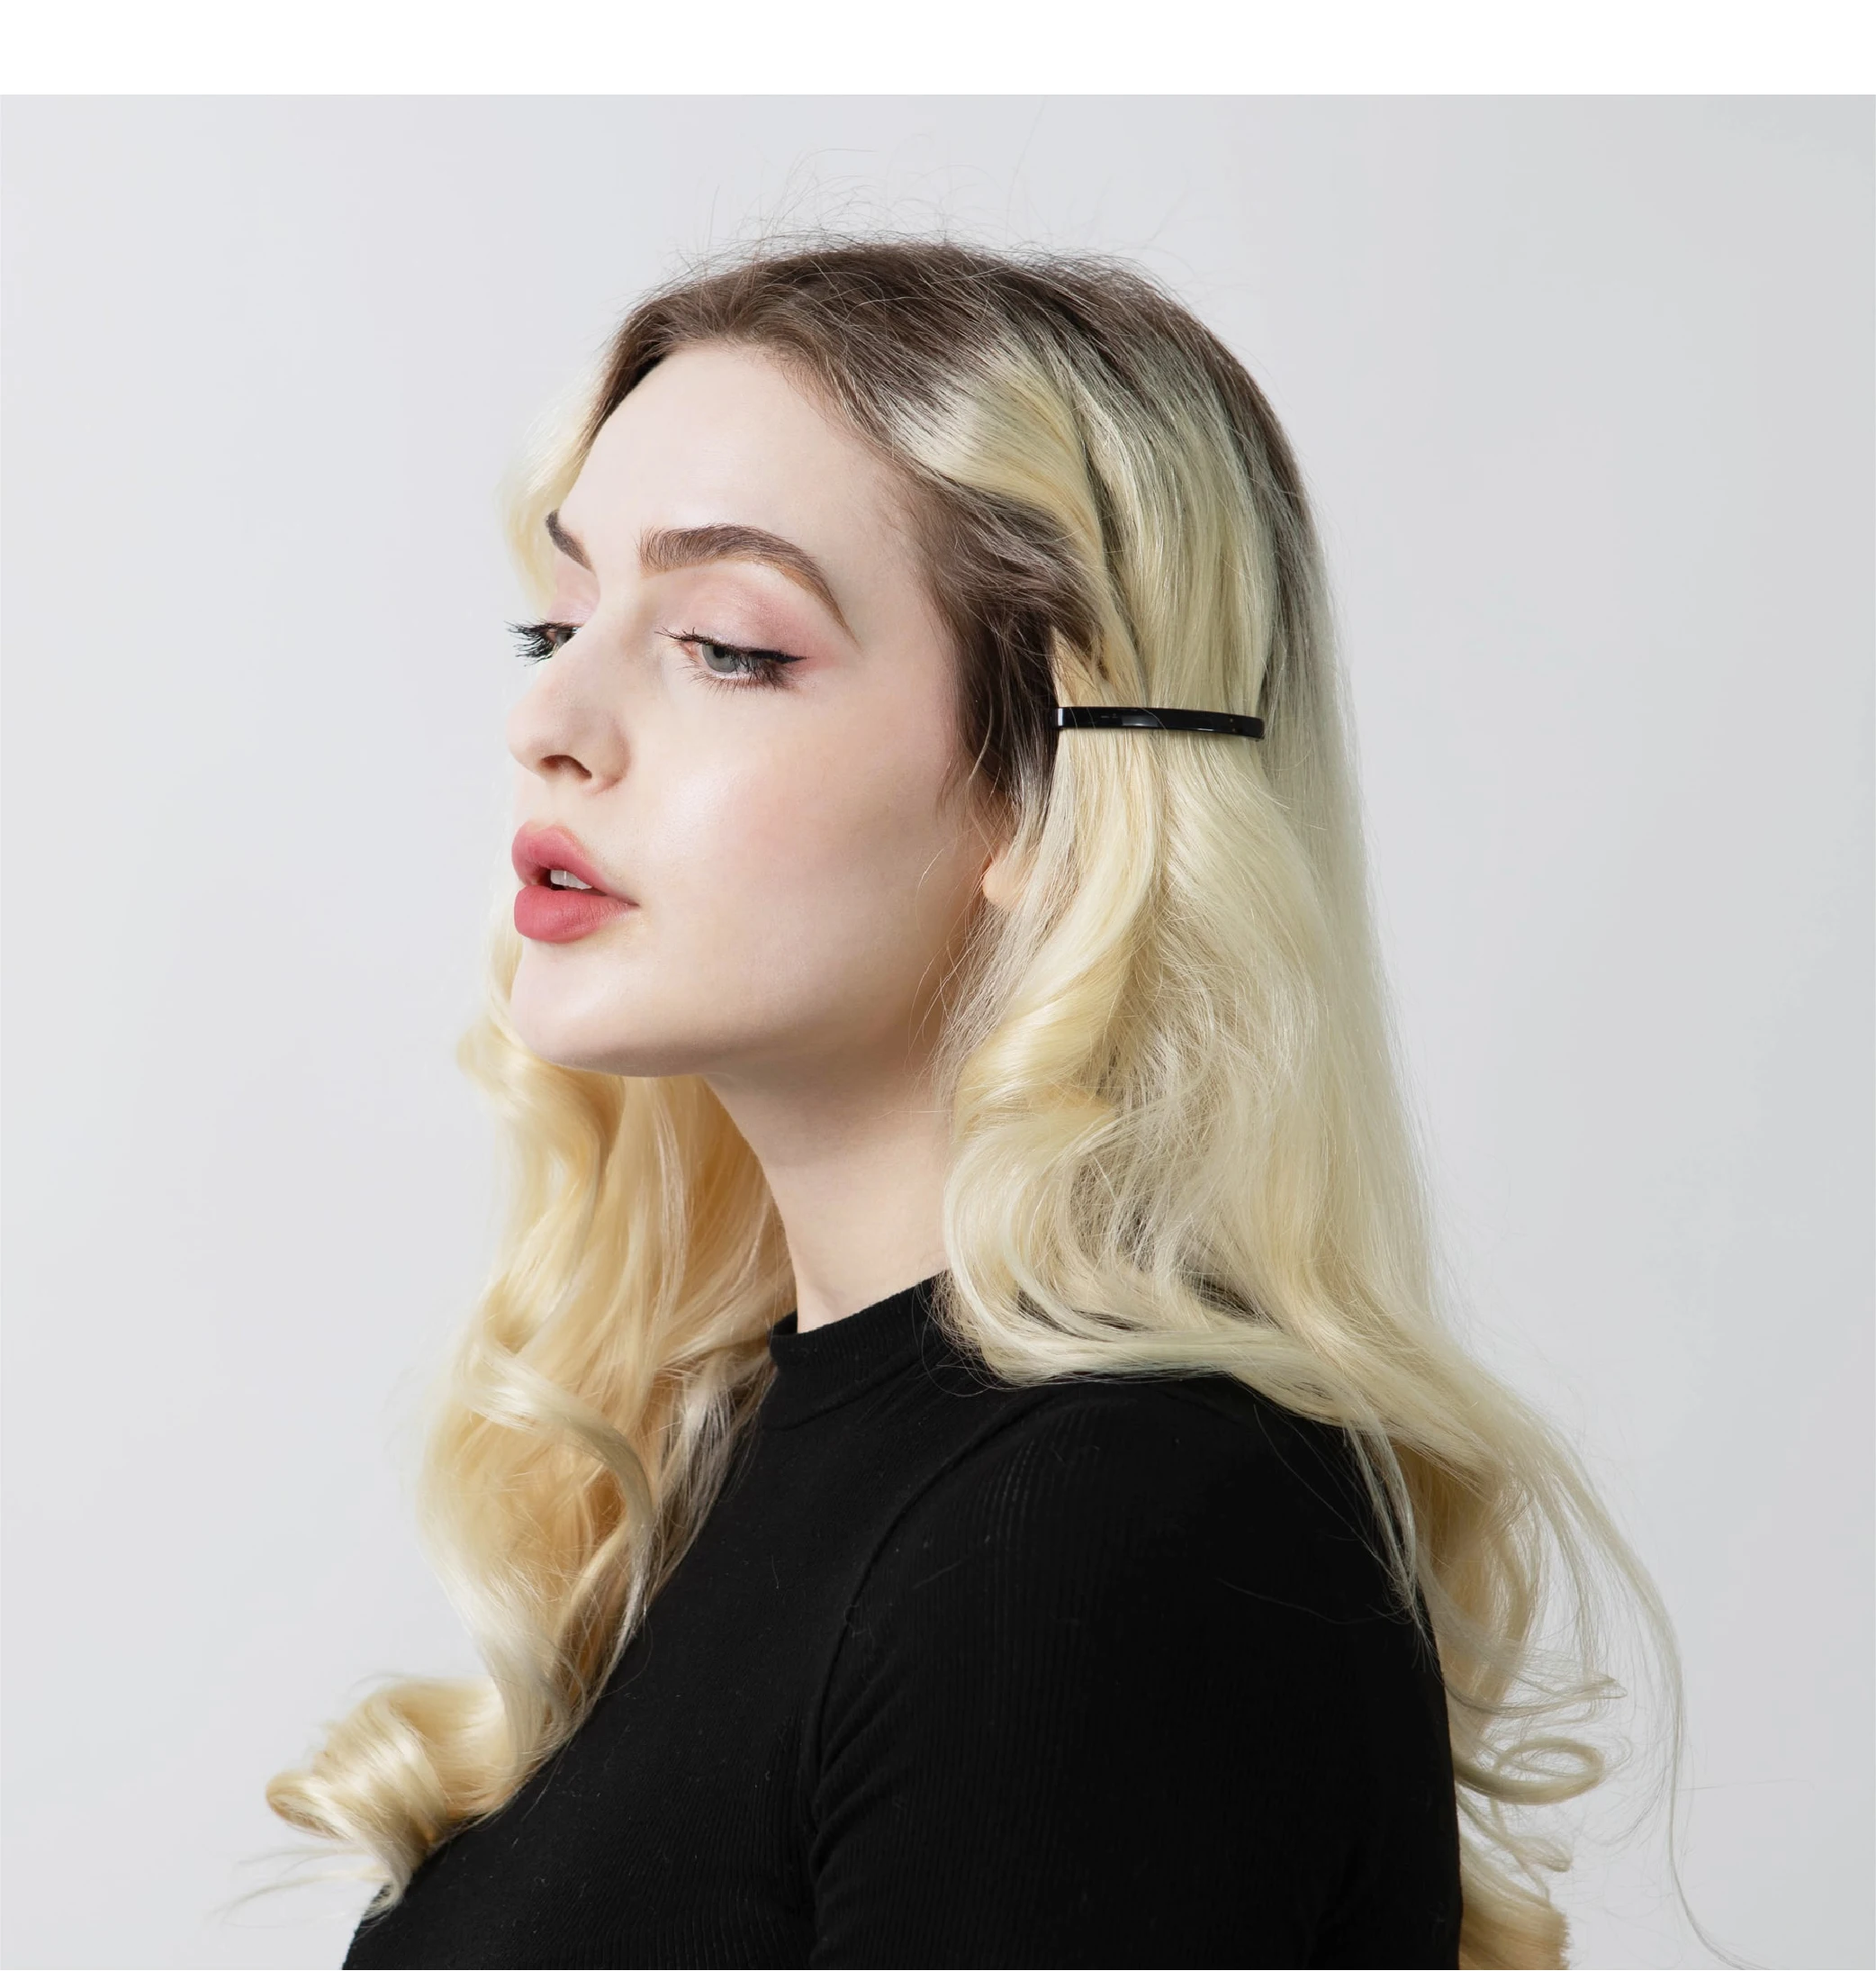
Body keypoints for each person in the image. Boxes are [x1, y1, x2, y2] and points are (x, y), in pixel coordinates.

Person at [266, 238, 1691, 1969]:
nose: (548, 716)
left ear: (1045, 788)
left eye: (724, 646)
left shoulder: (1104, 1533)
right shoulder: (739, 1474)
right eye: (554, 625)